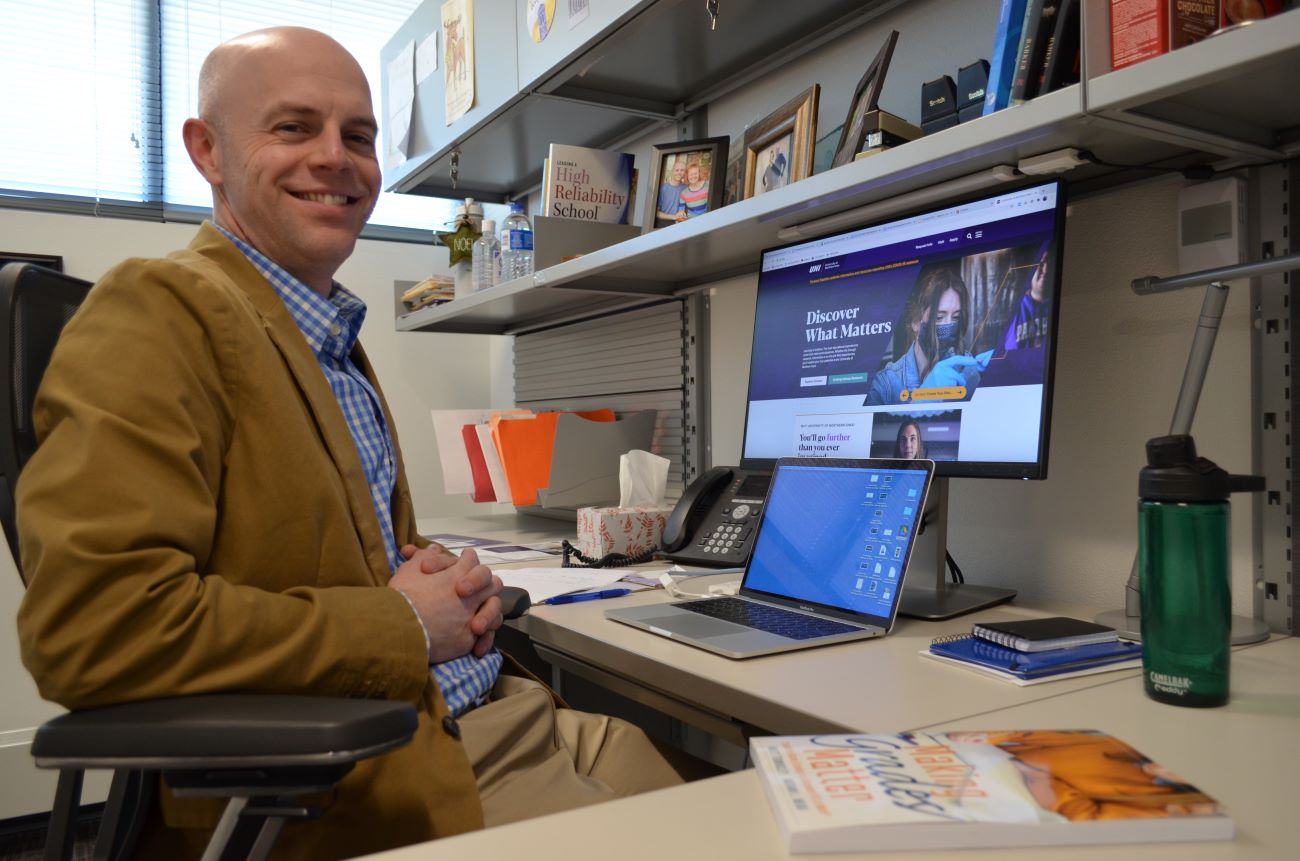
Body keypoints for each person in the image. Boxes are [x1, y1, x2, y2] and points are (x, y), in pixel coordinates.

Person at [15, 27, 683, 860]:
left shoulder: (318, 330)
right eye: (293, 128)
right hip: (390, 772)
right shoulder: (158, 312)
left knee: (747, 789)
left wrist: (446, 577)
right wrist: (406, 618)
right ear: (207, 151)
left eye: (358, 136)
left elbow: (331, 553)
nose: (336, 158)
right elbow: (96, 626)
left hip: (499, 713)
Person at [866, 267, 976, 406]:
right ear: (916, 322)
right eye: (939, 317)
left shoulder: (966, 367)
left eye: (956, 317)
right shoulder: (885, 385)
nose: (949, 325)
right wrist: (925, 397)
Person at [655, 154, 688, 224]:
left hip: (680, 223)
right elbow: (656, 212)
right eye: (677, 170)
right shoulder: (662, 188)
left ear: (684, 172)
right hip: (664, 223)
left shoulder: (686, 188)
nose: (679, 172)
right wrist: (674, 217)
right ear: (672, 171)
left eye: (682, 170)